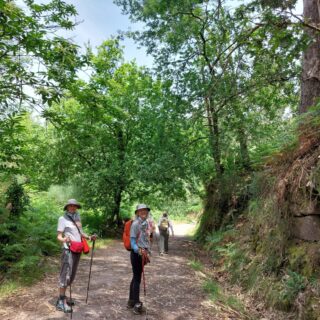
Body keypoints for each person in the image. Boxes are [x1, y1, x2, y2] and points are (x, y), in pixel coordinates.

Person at [56, 199, 97, 313]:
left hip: (77, 249)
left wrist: (89, 237)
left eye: (75, 206)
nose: (73, 208)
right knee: (66, 274)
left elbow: (80, 233)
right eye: (71, 206)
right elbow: (59, 236)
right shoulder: (62, 219)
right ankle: (61, 300)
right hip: (68, 249)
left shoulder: (77, 218)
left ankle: (63, 297)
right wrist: (64, 239)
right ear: (67, 207)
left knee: (72, 274)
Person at [127, 204, 151, 315]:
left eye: (145, 210)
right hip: (137, 254)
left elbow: (146, 239)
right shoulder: (135, 224)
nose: (143, 212)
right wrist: (139, 250)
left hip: (143, 254)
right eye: (141, 211)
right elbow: (132, 242)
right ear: (137, 212)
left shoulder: (146, 223)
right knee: (137, 278)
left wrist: (147, 251)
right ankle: (136, 304)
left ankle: (131, 301)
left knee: (136, 276)